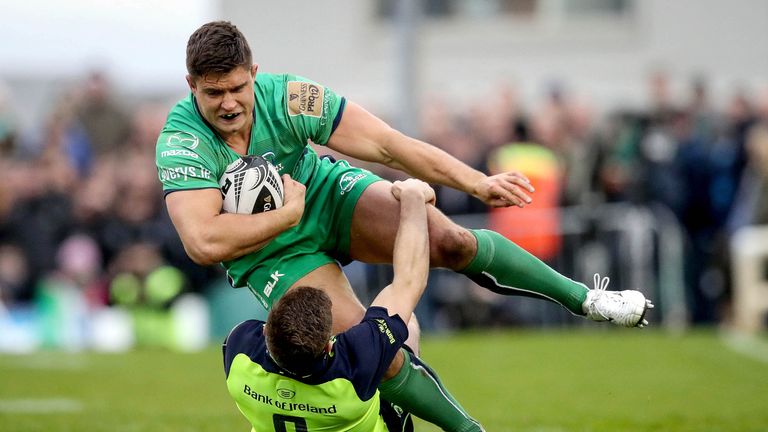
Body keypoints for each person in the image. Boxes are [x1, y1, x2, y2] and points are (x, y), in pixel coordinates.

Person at [156, 20, 652, 429]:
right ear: (191, 87)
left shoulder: (289, 97)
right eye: (213, 92)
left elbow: (389, 144)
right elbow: (203, 241)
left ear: (255, 74)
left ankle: (586, 299)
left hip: (326, 197)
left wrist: (475, 181)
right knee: (376, 354)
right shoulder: (182, 140)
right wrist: (286, 215)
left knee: (452, 241)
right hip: (272, 254)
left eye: (238, 88)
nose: (228, 103)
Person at [224, 179, 482, 431]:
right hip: (368, 411)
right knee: (407, 328)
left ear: (266, 332)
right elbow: (408, 281)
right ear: (329, 344)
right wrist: (413, 200)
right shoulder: (356, 367)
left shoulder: (239, 351)